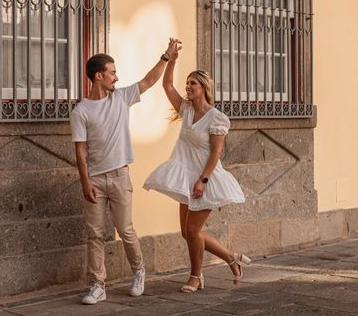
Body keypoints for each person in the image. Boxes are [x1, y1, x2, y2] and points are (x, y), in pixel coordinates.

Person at [71, 39, 180, 305]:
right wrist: (85, 182)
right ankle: (98, 285)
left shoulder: (120, 97)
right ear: (99, 76)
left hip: (120, 176)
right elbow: (81, 151)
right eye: (112, 72)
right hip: (95, 179)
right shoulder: (81, 110)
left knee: (125, 229)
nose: (116, 77)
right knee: (94, 234)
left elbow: (148, 81)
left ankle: (138, 271)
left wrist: (166, 56)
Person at [143, 44, 248, 293]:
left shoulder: (217, 118)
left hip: (206, 178)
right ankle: (232, 257)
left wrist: (203, 180)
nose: (188, 87)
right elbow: (167, 86)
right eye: (187, 83)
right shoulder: (186, 109)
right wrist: (172, 59)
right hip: (184, 175)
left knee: (192, 231)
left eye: (193, 84)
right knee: (187, 232)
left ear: (204, 89)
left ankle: (196, 276)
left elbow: (216, 153)